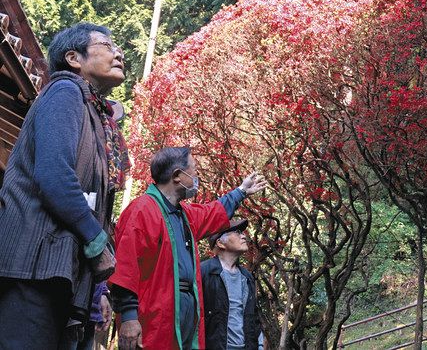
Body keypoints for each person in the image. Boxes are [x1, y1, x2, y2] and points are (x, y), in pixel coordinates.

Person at [0, 22, 129, 348]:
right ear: (74, 58)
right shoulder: (64, 91)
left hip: (55, 270)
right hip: (31, 266)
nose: (119, 52)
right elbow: (55, 178)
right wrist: (96, 240)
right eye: (106, 44)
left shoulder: (91, 111)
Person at [109, 147, 267, 350]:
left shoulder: (185, 214)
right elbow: (125, 266)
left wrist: (241, 191)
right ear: (177, 176)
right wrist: (129, 316)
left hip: (182, 317)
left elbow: (214, 212)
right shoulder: (142, 210)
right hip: (153, 317)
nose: (197, 176)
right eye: (194, 170)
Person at [201, 219, 262, 350]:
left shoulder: (247, 277)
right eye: (237, 232)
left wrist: (260, 345)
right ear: (220, 243)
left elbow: (253, 318)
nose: (243, 236)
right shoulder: (204, 272)